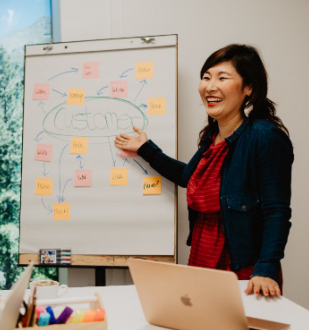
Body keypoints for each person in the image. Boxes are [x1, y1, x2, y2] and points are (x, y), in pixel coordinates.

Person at [115, 44, 293, 297]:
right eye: (206, 77)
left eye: (222, 78)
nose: (210, 86)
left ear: (248, 88)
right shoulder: (212, 137)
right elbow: (188, 176)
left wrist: (266, 268)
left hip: (243, 266)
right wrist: (146, 149)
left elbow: (277, 212)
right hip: (203, 255)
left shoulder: (265, 138)